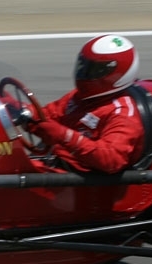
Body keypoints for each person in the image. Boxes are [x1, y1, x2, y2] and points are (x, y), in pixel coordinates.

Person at [31, 34, 145, 174]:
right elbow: (47, 114)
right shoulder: (79, 97)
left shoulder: (122, 113)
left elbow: (112, 159)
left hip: (78, 176)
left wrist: (65, 136)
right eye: (83, 66)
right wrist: (18, 109)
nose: (85, 74)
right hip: (53, 161)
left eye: (94, 70)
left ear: (117, 73)